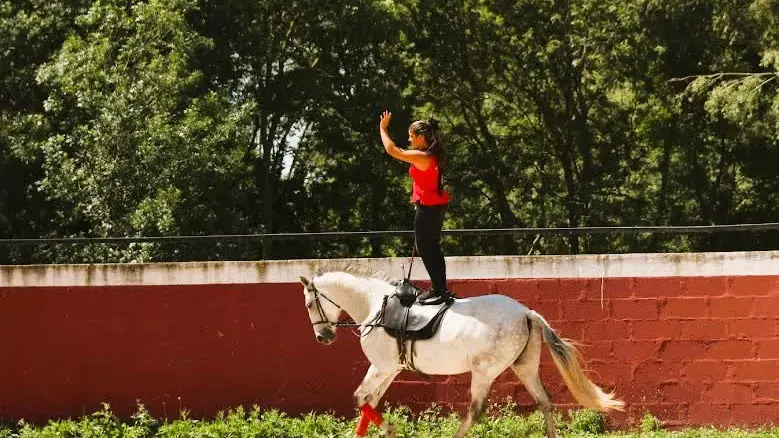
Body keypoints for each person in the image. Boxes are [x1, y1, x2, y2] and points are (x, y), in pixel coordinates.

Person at [379, 110, 452, 305]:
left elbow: (393, 150)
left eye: (411, 136)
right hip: (434, 207)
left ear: (421, 137)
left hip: (429, 209)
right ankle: (440, 289)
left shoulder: (423, 157)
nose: (409, 139)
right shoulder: (432, 155)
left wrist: (382, 128)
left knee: (426, 248)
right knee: (432, 247)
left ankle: (439, 290)